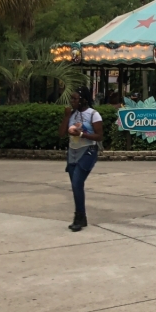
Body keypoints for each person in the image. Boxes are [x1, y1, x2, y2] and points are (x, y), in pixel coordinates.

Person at [60, 87, 103, 232]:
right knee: (75, 185)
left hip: (88, 151)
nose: (72, 101)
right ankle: (82, 217)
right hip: (73, 152)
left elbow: (99, 136)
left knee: (77, 182)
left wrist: (82, 135)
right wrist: (66, 117)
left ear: (83, 99)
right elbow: (60, 134)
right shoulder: (72, 114)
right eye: (71, 99)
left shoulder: (93, 115)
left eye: (75, 98)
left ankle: (78, 217)